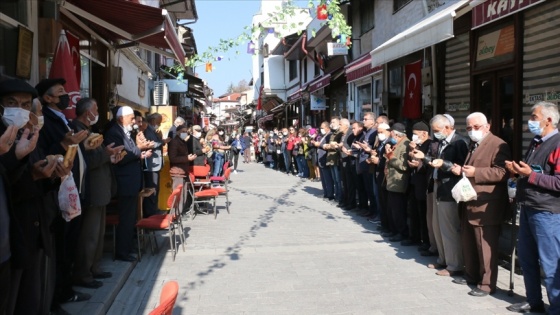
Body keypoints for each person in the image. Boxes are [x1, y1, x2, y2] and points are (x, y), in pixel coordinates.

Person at [35, 78, 91, 308]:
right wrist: (63, 144)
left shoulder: (63, 119)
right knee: (60, 247)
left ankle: (67, 288)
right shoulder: (46, 121)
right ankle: (59, 294)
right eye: (61, 93)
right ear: (47, 99)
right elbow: (45, 154)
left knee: (69, 244)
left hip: (70, 188)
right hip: (55, 191)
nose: (66, 96)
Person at [446, 112, 510, 297]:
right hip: (469, 200)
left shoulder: (498, 144)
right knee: (469, 243)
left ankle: (487, 284)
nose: (472, 131)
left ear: (487, 126)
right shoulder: (474, 144)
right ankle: (472, 275)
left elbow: (501, 172)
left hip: (486, 204)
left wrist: (476, 172)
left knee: (485, 247)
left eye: (476, 127)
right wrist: (462, 171)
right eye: (468, 128)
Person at [505, 102, 560, 314]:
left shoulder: (557, 144)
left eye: (534, 116)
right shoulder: (537, 141)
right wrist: (517, 171)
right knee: (527, 258)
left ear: (548, 120)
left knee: (551, 264)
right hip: (528, 206)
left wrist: (531, 175)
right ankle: (534, 301)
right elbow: (532, 172)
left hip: (547, 212)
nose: (530, 120)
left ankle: (556, 307)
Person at [0, 79, 43, 314]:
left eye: (25, 104)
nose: (19, 109)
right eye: (12, 103)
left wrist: (44, 175)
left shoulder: (26, 133)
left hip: (17, 233)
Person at [71, 98, 122, 289]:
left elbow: (97, 158)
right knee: (89, 235)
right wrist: (106, 154)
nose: (98, 112)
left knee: (98, 233)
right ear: (87, 113)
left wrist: (110, 156)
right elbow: (84, 162)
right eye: (96, 109)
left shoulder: (90, 131)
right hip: (91, 190)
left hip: (101, 189)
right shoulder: (77, 131)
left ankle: (95, 267)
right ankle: (83, 273)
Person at [412, 114, 468, 277]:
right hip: (437, 186)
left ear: (448, 128)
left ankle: (455, 264)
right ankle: (443, 259)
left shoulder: (459, 142)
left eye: (437, 130)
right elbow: (437, 162)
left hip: (449, 189)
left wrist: (443, 164)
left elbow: (461, 167)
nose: (435, 133)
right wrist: (426, 158)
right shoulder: (441, 142)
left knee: (449, 229)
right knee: (438, 227)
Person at [104, 106, 151, 262]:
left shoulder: (127, 132)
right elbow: (122, 157)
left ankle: (128, 247)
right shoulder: (114, 133)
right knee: (125, 218)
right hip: (124, 182)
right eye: (131, 118)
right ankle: (122, 252)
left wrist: (139, 152)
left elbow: (130, 153)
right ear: (120, 119)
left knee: (130, 218)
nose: (134, 120)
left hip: (131, 182)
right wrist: (139, 150)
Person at [405, 121, 432, 249]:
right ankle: (414, 237)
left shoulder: (430, 144)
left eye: (416, 134)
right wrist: (412, 151)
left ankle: (426, 241)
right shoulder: (417, 145)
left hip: (423, 184)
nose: (413, 137)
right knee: (414, 212)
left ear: (424, 133)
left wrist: (419, 164)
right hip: (414, 182)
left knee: (423, 214)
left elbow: (431, 164)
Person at [383, 123, 410, 242]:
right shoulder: (397, 143)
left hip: (399, 182)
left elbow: (404, 166)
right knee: (392, 208)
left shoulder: (405, 144)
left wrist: (390, 156)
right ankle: (395, 230)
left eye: (391, 133)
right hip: (392, 181)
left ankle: (402, 232)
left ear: (396, 133)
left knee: (398, 209)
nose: (390, 135)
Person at [143, 113, 169, 217]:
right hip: (151, 164)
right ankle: (151, 213)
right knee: (152, 188)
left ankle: (155, 210)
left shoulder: (153, 130)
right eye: (158, 122)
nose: (159, 125)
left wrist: (160, 138)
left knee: (156, 188)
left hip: (155, 163)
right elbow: (151, 144)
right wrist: (163, 142)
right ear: (153, 121)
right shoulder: (148, 130)